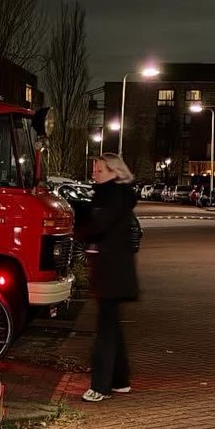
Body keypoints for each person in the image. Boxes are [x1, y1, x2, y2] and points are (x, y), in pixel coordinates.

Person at [76, 153, 139, 402]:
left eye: (99, 170)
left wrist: (80, 219)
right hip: (114, 270)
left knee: (106, 330)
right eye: (94, 169)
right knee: (111, 325)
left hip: (111, 271)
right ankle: (120, 380)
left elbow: (98, 226)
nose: (95, 174)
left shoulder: (111, 196)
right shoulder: (115, 195)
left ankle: (100, 386)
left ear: (115, 172)